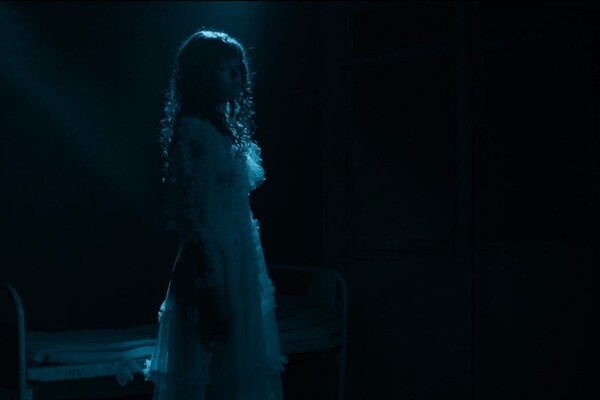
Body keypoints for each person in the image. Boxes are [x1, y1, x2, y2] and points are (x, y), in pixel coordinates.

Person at [143, 29, 287, 400]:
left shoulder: (225, 129)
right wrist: (209, 282)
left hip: (239, 258)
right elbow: (190, 219)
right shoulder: (192, 129)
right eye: (226, 68)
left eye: (238, 67)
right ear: (202, 75)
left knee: (237, 368)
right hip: (212, 260)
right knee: (206, 366)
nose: (237, 75)